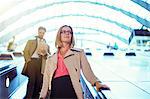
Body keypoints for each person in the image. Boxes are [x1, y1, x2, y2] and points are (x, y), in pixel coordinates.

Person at [40, 25, 110, 99]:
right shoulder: (51, 58)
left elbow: (87, 70)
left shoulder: (79, 53)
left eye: (69, 32)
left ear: (72, 36)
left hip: (71, 87)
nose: (67, 33)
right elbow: (46, 80)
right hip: (56, 89)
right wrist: (42, 96)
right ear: (59, 35)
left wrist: (96, 83)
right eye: (64, 32)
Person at [22, 26, 51, 99]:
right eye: (40, 32)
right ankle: (28, 97)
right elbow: (25, 51)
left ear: (44, 33)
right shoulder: (31, 41)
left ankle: (35, 97)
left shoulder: (46, 44)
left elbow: (49, 56)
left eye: (43, 33)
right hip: (32, 62)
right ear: (38, 32)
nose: (41, 34)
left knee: (39, 81)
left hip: (41, 63)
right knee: (32, 81)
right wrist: (28, 60)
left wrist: (46, 54)